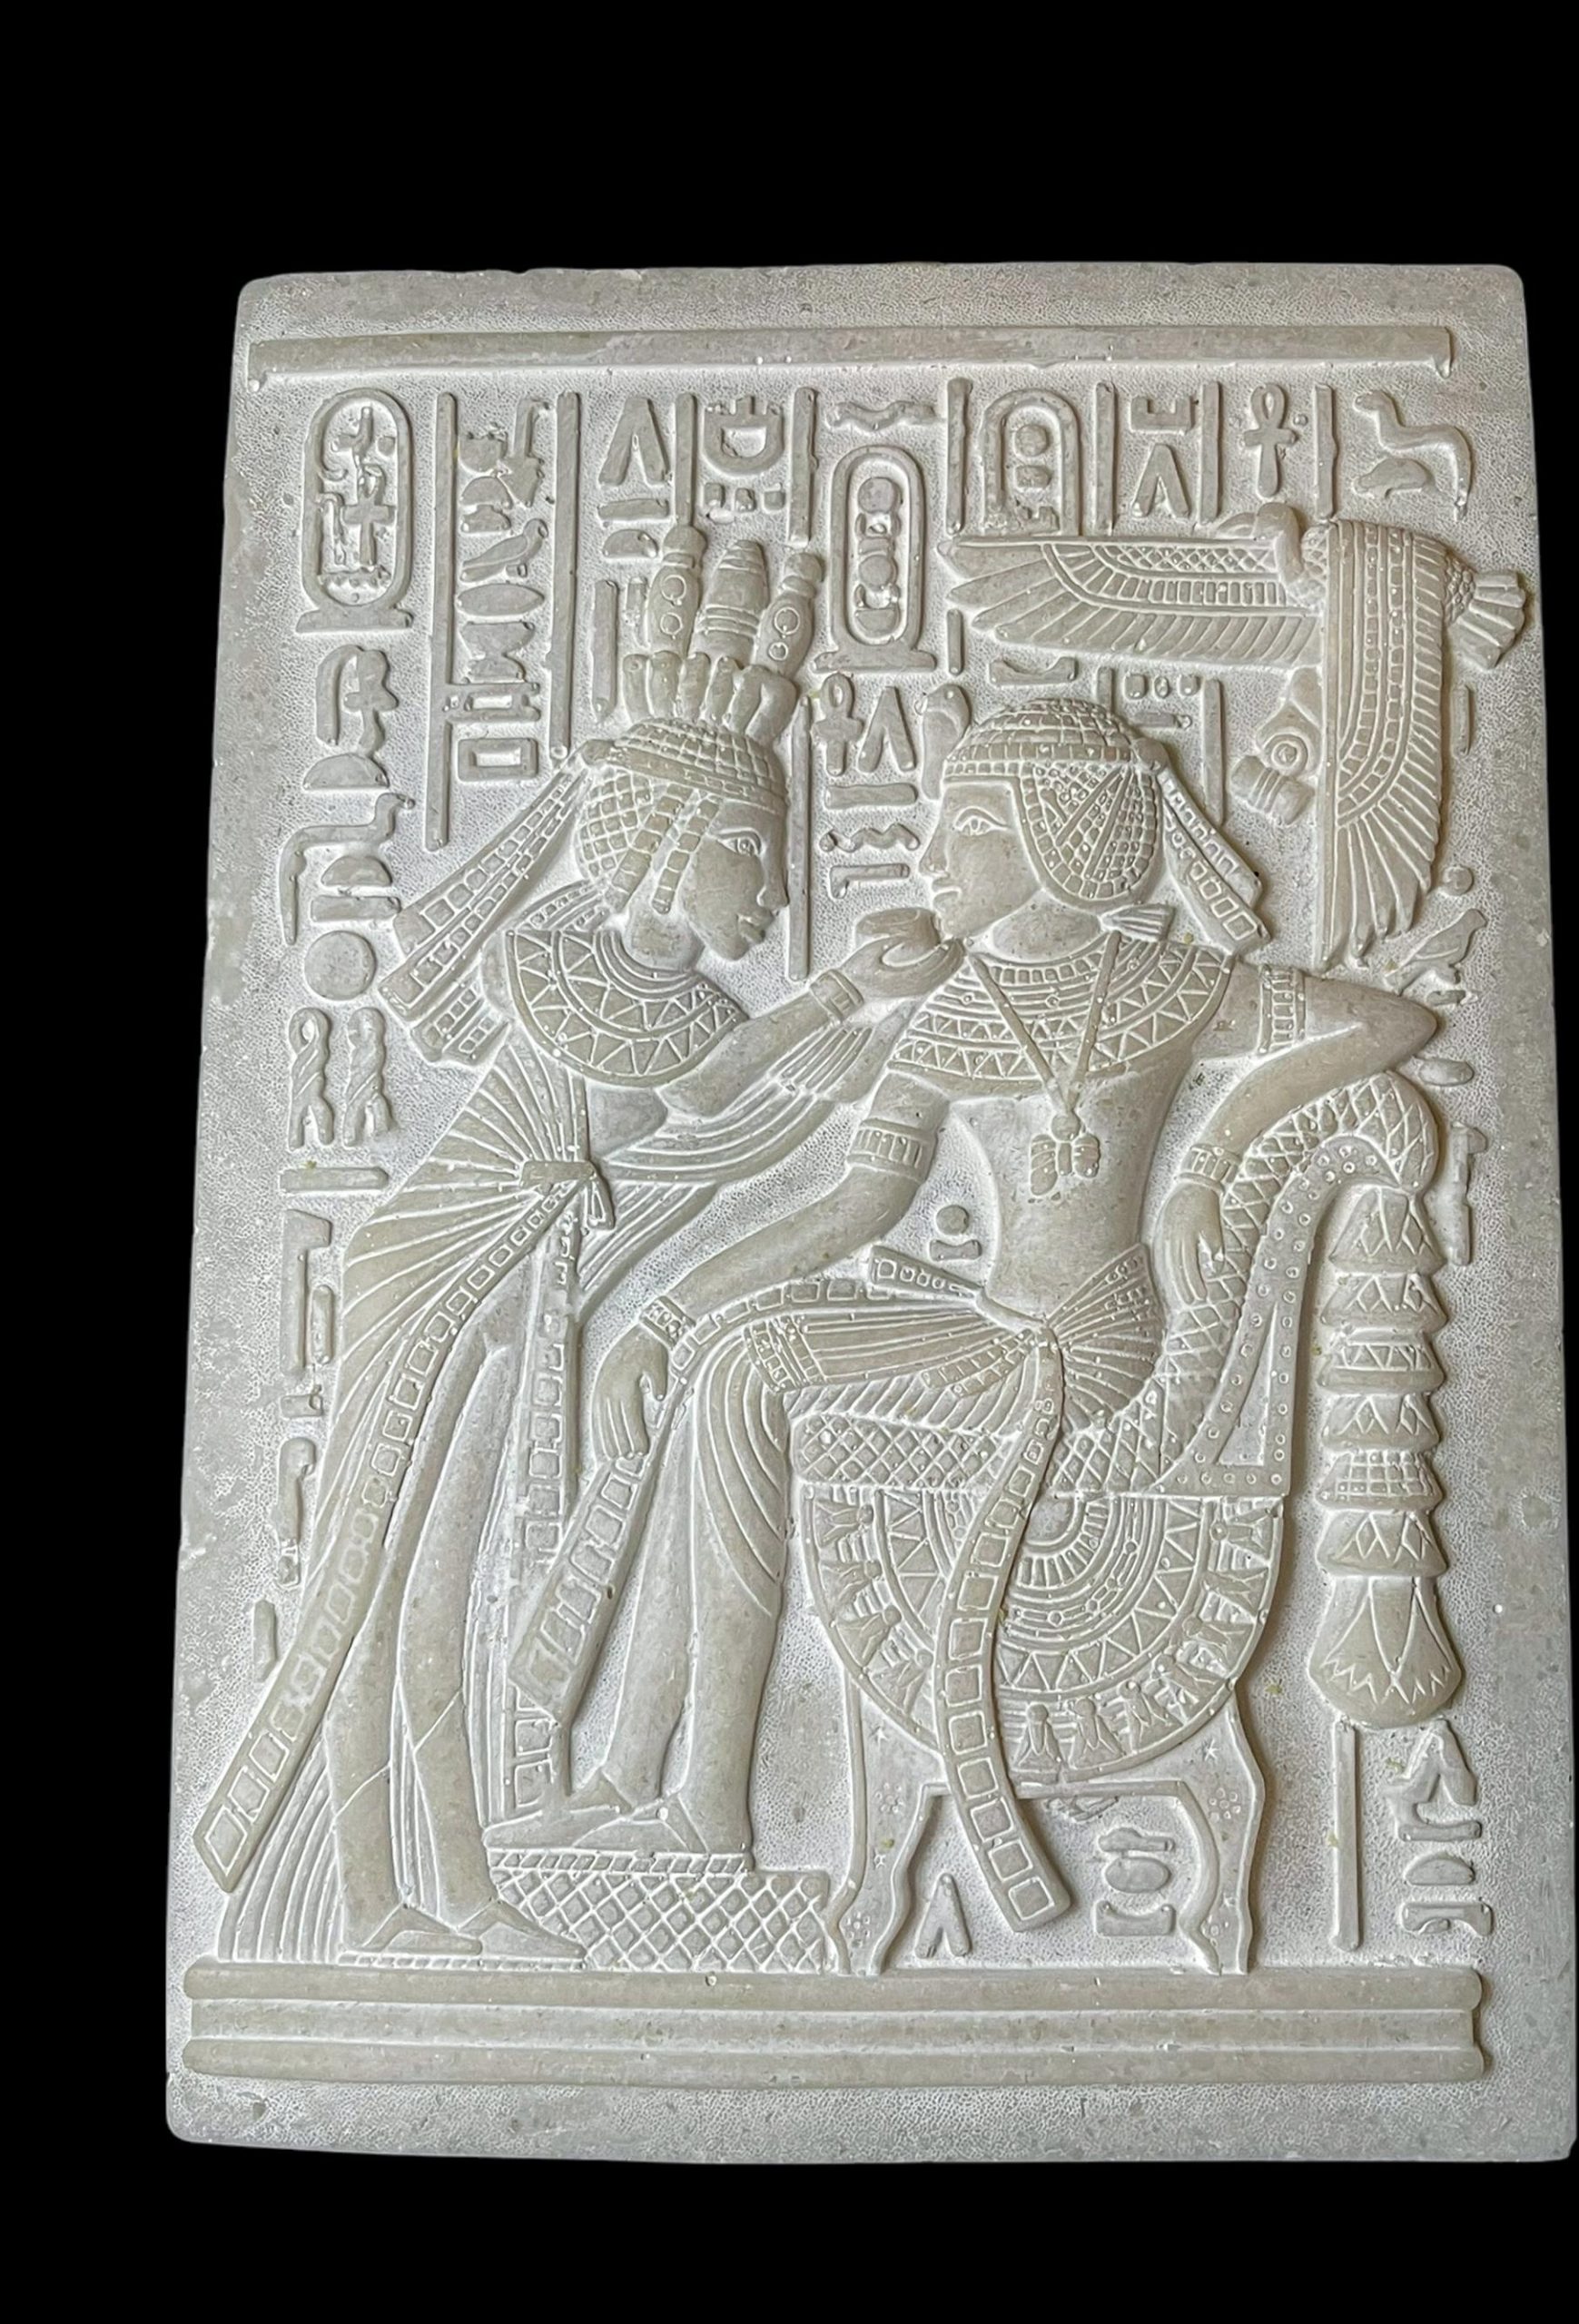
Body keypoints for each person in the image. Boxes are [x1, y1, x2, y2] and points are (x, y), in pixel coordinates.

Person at [508, 699, 1435, 1926]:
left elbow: (1391, 1020)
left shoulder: (1166, 987)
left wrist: (1209, 1161)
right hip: (998, 1333)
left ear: (1057, 835)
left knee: (744, 1378)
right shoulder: (954, 1013)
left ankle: (706, 1799)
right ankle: (639, 1778)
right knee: (726, 1359)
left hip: (1093, 1347)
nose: (931, 854)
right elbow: (851, 1206)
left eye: (967, 825)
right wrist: (668, 1316)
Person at [197, 581, 955, 1957]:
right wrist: (843, 993)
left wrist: (874, 1031)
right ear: (667, 841)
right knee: (379, 1588)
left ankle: (455, 1893)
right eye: (752, 851)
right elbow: (710, 1084)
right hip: (436, 1276)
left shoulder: (692, 1006)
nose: (777, 887)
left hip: (514, 1299)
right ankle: (373, 1902)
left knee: (440, 1597)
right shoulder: (553, 958)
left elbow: (738, 1122)